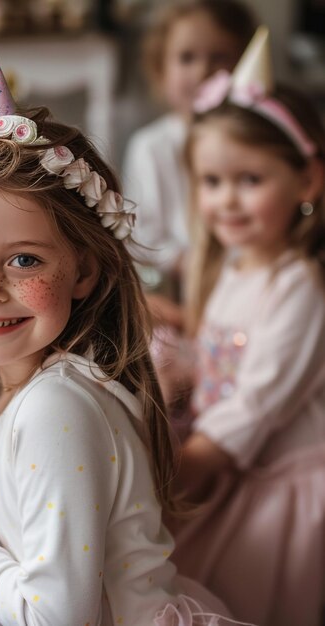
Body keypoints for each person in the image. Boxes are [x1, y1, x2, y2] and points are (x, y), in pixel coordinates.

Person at [0, 47, 250, 626]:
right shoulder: (36, 381)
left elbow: (57, 616)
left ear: (84, 271)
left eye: (24, 260)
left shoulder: (54, 407)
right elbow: (31, 480)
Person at [169, 27, 325, 626]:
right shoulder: (236, 267)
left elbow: (255, 403)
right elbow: (218, 353)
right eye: (211, 182)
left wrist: (175, 473)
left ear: (306, 183)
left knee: (252, 601)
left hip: (276, 485)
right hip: (230, 462)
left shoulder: (300, 288)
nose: (226, 201)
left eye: (249, 181)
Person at [122, 0, 256, 286]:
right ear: (160, 70)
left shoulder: (255, 143)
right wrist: (194, 263)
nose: (203, 70)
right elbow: (142, 235)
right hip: (180, 282)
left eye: (219, 57)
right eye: (187, 58)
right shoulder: (150, 146)